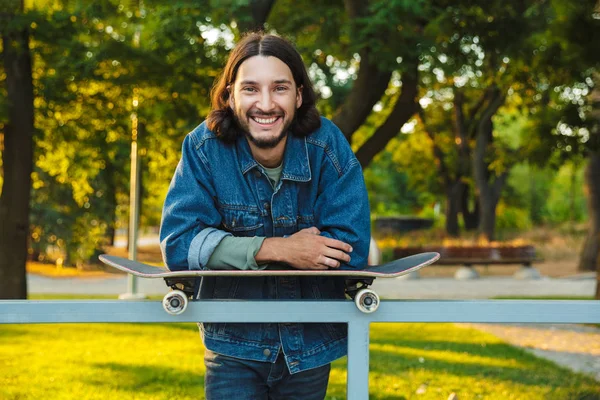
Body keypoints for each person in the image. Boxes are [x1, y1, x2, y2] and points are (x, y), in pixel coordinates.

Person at [159, 32, 370, 400]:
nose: (266, 104)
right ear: (229, 96)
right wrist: (281, 249)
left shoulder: (327, 145)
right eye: (251, 89)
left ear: (299, 95)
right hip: (233, 344)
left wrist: (224, 247)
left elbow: (350, 246)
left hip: (311, 342)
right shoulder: (203, 149)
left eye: (280, 88)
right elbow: (179, 244)